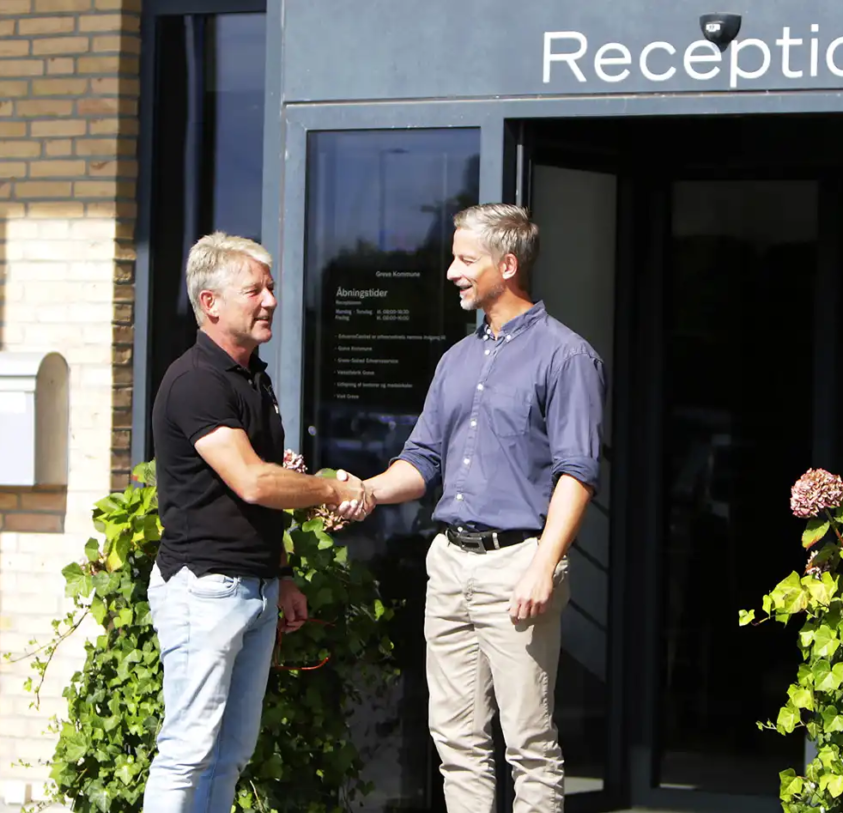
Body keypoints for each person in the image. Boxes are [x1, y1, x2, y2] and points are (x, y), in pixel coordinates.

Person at [346, 203, 606, 813]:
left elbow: (577, 474)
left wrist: (543, 565)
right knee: (456, 741)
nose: (451, 273)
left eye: (466, 260)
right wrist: (363, 491)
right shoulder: (457, 360)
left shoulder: (566, 357)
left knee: (529, 745)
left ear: (507, 265)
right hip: (449, 565)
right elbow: (421, 462)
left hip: (517, 566)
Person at [144, 232, 371, 813]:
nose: (271, 300)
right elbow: (253, 481)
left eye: (270, 288)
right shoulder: (197, 381)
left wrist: (283, 575)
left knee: (230, 754)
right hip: (206, 590)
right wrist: (331, 489)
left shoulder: (251, 379)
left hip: (255, 587)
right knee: (187, 751)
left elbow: (253, 498)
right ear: (210, 303)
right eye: (255, 290)